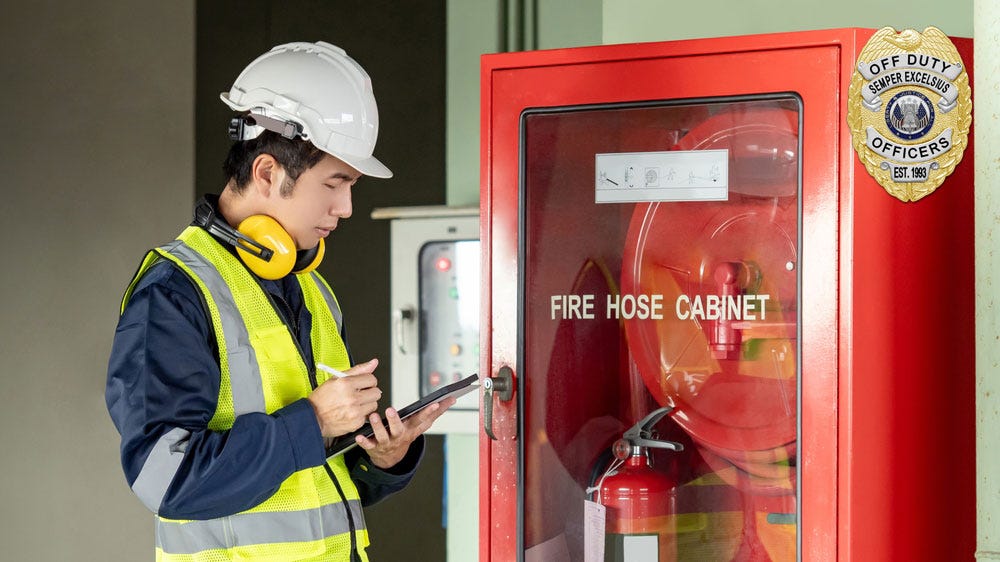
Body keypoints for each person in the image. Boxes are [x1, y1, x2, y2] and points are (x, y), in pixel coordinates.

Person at [106, 41, 454, 562]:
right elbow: (167, 480)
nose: (347, 207)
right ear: (267, 172)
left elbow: (314, 485)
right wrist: (311, 421)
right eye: (335, 183)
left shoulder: (311, 289)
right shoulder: (175, 292)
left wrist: (382, 458)